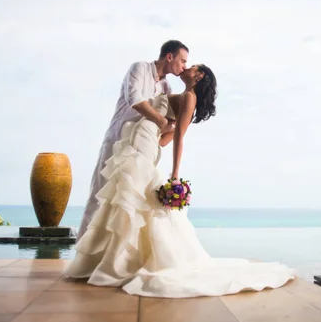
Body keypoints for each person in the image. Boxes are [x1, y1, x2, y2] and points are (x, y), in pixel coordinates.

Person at [64, 64, 295, 298]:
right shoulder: (182, 94)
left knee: (129, 193)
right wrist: (157, 128)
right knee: (127, 194)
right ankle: (119, 259)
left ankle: (122, 261)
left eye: (192, 66)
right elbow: (164, 139)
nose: (186, 67)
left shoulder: (188, 97)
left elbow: (178, 140)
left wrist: (175, 175)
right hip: (142, 139)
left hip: (141, 145)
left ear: (199, 75)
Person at [76, 40, 189, 241]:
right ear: (169, 56)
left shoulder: (166, 86)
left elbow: (166, 130)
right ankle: (82, 252)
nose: (184, 67)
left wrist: (175, 126)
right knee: (99, 195)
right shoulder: (139, 68)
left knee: (129, 202)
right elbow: (135, 99)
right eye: (182, 61)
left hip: (141, 149)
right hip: (117, 139)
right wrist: (162, 120)